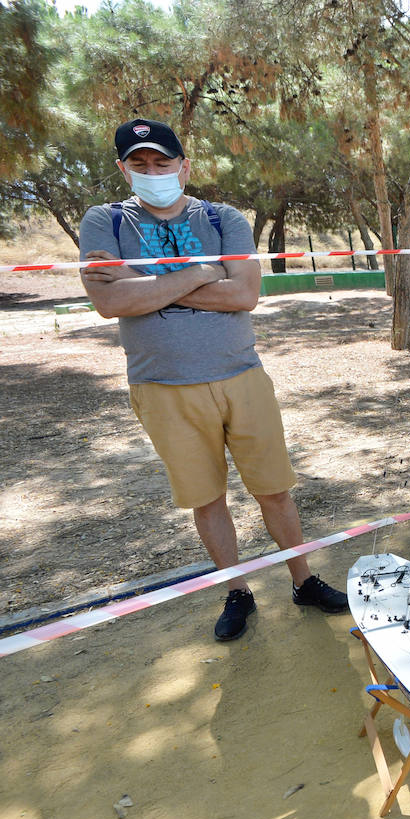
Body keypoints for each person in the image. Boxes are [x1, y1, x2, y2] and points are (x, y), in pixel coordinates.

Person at [78, 118, 348, 643]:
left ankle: (304, 580)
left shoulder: (223, 217)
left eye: (162, 162)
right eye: (139, 163)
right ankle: (237, 592)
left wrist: (148, 282)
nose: (152, 171)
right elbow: (109, 301)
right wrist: (203, 273)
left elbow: (244, 294)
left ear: (184, 165)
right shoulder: (104, 221)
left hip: (241, 376)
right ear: (123, 168)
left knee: (274, 490)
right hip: (163, 386)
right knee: (208, 500)